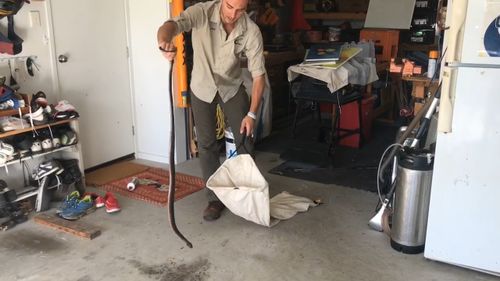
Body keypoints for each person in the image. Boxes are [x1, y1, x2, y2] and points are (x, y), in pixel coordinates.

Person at [157, 0, 266, 221]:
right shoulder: (202, 13)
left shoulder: (252, 31)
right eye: (229, 7)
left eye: (240, 10)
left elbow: (258, 77)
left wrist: (252, 114)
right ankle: (214, 199)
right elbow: (172, 25)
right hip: (202, 87)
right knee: (206, 144)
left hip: (231, 87)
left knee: (244, 139)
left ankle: (246, 194)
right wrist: (163, 41)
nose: (233, 15)